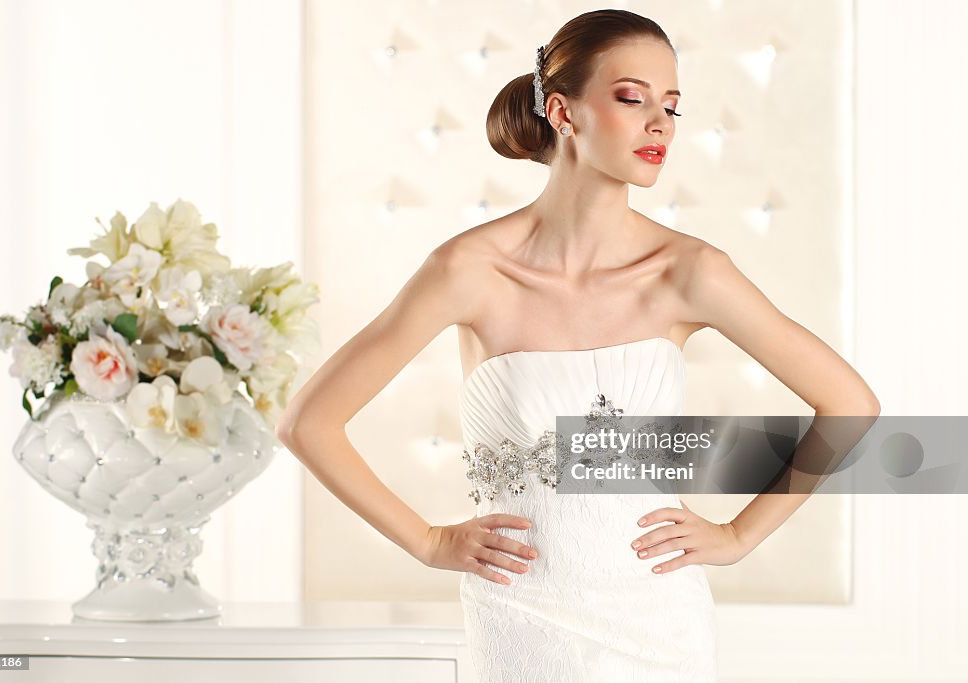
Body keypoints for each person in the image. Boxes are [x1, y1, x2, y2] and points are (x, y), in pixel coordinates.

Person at [277, 8, 880, 682]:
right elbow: (309, 422)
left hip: (660, 619)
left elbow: (850, 403)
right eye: (632, 98)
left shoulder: (690, 272)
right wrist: (428, 541)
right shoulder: (468, 270)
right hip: (521, 614)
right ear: (563, 113)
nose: (660, 123)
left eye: (673, 107)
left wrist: (738, 536)